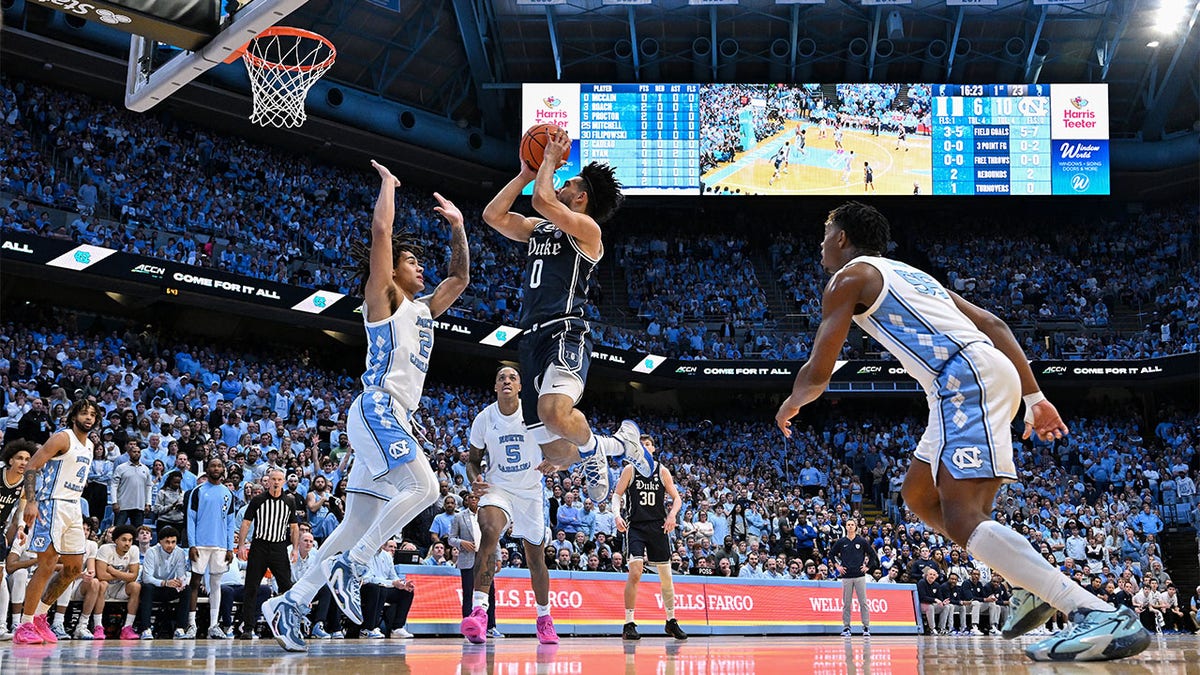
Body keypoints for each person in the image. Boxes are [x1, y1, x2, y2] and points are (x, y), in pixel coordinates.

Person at [774, 202, 1150, 662]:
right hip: (973, 375)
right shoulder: (912, 275)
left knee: (962, 516)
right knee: (917, 494)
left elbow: (818, 374)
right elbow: (993, 323)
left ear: (843, 238)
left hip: (961, 377)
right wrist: (1034, 398)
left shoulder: (848, 277)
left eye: (825, 233)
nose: (820, 244)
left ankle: (1093, 610)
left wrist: (791, 403)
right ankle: (1025, 583)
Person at [264, 160, 470, 653]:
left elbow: (458, 278)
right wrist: (388, 186)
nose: (421, 266)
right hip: (379, 407)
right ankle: (355, 565)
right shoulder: (384, 298)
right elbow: (381, 228)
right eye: (412, 260)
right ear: (394, 270)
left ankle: (290, 603)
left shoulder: (424, 309)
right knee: (426, 486)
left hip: (392, 418)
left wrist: (460, 227)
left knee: (354, 523)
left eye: (423, 261)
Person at [482, 128, 652, 505]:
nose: (561, 180)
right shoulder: (540, 228)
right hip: (531, 338)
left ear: (581, 197)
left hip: (565, 329)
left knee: (553, 411)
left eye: (570, 181)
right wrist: (525, 174)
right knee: (556, 453)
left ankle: (592, 452)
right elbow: (493, 215)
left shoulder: (588, 230)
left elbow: (543, 201)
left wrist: (545, 162)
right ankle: (618, 445)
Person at [460, 366, 559, 645]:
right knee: (490, 530)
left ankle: (544, 618)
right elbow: (472, 460)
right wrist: (474, 478)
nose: (506, 380)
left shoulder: (535, 414)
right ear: (495, 386)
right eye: (501, 377)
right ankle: (479, 612)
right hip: (497, 487)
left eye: (512, 377)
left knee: (535, 559)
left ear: (519, 387)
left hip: (530, 491)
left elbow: (561, 446)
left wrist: (556, 460)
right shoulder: (484, 418)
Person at [14, 400, 99, 644]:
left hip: (73, 506)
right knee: (47, 565)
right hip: (52, 503)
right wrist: (31, 501)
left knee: (73, 569)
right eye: (84, 413)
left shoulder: (90, 446)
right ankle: (24, 624)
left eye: (93, 415)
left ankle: (41, 617)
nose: (89, 418)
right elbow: (32, 466)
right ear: (74, 416)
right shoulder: (63, 437)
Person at [613, 434, 687, 641]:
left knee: (666, 576)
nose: (644, 447)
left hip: (658, 526)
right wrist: (617, 515)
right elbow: (617, 494)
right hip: (635, 526)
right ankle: (629, 623)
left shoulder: (662, 471)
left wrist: (672, 514)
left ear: (653, 449)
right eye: (641, 445)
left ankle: (671, 621)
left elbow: (677, 497)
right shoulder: (630, 469)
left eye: (648, 444)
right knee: (635, 571)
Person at [236, 468, 299, 639]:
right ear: (268, 481)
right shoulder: (257, 500)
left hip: (279, 547)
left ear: (284, 482)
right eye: (274, 479)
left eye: (280, 479)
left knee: (286, 587)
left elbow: (294, 527)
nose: (277, 482)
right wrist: (241, 545)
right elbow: (246, 523)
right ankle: (248, 627)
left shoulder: (289, 502)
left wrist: (295, 549)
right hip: (259, 546)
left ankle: (289, 625)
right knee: (251, 587)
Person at [186, 457, 237, 639]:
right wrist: (192, 544)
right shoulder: (198, 491)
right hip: (200, 544)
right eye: (212, 465)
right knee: (195, 583)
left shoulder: (228, 493)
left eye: (219, 466)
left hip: (221, 545)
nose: (216, 468)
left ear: (223, 469)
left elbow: (231, 523)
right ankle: (191, 625)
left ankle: (213, 625)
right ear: (207, 469)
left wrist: (230, 547)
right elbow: (190, 519)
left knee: (216, 585)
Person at [449, 492, 501, 638]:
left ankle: (490, 626)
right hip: (468, 559)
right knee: (468, 594)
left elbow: (494, 539)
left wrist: (498, 558)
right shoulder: (459, 517)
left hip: (486, 558)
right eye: (470, 497)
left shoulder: (487, 516)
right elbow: (451, 539)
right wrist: (461, 543)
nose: (473, 500)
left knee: (490, 593)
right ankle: (469, 627)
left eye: (476, 497)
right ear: (466, 500)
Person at [0, 440, 33, 641]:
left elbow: (21, 510)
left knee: (1, 579)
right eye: (20, 458)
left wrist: (21, 528)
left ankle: (2, 626)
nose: (23, 462)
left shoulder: (24, 485)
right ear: (10, 459)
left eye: (28, 459)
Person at [135, 525, 191, 638]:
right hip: (154, 588)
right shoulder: (151, 552)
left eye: (173, 542)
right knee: (147, 587)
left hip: (169, 588)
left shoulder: (179, 552)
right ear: (160, 541)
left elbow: (181, 574)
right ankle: (145, 629)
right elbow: (147, 578)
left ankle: (180, 628)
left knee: (187, 589)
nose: (170, 545)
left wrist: (181, 583)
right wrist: (165, 582)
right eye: (167, 542)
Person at [830, 518, 878, 637]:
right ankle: (846, 628)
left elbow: (872, 554)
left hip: (860, 576)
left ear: (856, 527)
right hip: (846, 576)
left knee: (863, 602)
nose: (850, 526)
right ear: (846, 527)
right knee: (846, 603)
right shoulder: (841, 541)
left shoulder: (861, 541)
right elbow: (831, 554)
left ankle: (866, 627)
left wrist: (867, 567)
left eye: (852, 524)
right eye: (848, 524)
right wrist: (837, 566)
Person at [95, 524, 142, 639]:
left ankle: (127, 627)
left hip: (120, 588)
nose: (128, 543)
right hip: (104, 588)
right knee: (102, 584)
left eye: (130, 540)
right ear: (116, 540)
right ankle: (98, 626)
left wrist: (112, 571)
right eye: (124, 540)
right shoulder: (105, 549)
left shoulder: (134, 550)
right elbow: (101, 575)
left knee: (136, 586)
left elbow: (134, 576)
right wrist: (125, 575)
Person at [111, 444, 152, 528]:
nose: (136, 454)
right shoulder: (121, 468)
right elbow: (114, 486)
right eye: (134, 452)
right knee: (118, 530)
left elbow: (148, 487)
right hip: (122, 505)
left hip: (139, 505)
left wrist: (148, 503)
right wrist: (114, 502)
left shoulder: (145, 469)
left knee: (137, 533)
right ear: (129, 453)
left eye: (138, 452)